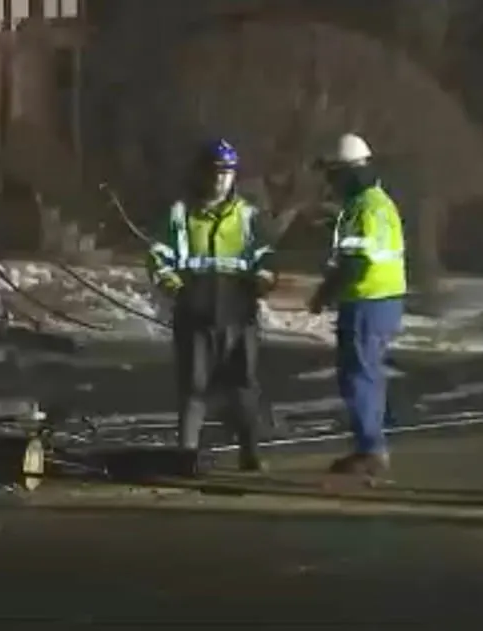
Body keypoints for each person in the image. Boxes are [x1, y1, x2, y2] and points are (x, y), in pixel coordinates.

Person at [146, 139, 277, 472]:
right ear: (202, 174)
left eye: (228, 173)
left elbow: (266, 257)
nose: (221, 180)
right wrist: (176, 289)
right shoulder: (180, 214)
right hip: (195, 313)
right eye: (216, 172)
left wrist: (263, 279)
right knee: (194, 386)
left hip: (239, 314)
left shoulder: (249, 216)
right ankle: (186, 455)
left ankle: (250, 452)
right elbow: (158, 258)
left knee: (243, 385)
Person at [307, 133, 407, 476]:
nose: (329, 182)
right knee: (367, 374)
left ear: (346, 171)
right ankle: (371, 445)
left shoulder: (363, 207)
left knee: (358, 376)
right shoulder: (378, 202)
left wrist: (324, 293)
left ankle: (371, 450)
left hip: (367, 299)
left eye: (332, 174)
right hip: (383, 299)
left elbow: (355, 262)